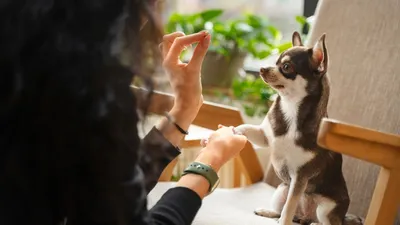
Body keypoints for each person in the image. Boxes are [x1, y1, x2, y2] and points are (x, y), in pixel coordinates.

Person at [0, 0, 248, 225]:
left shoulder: (29, 67)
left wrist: (184, 108)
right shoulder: (89, 88)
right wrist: (208, 162)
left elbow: (106, 192)